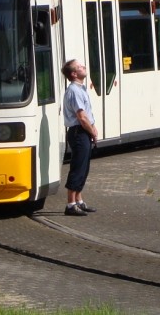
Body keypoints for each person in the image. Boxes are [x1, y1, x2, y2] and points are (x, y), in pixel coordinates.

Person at [61, 58, 97, 216]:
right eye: (80, 66)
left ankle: (79, 201)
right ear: (74, 74)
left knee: (83, 167)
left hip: (82, 132)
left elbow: (87, 115)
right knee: (77, 167)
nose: (84, 66)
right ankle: (70, 204)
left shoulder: (80, 89)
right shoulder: (74, 91)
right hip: (78, 132)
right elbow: (81, 117)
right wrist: (92, 131)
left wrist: (92, 127)